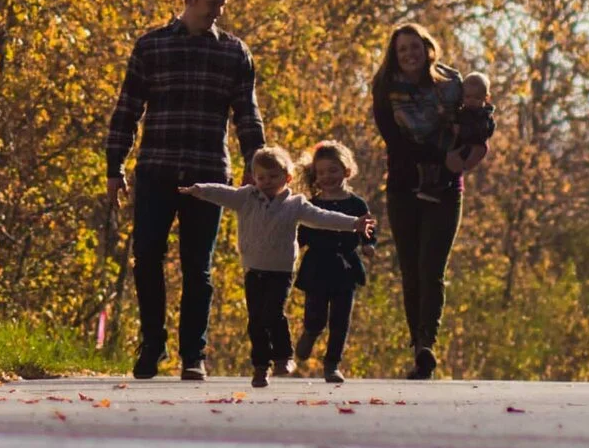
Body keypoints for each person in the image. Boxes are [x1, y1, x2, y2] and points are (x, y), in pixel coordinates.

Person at [106, 0, 266, 381]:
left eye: (223, 5)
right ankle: (151, 345)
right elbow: (128, 110)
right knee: (147, 259)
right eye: (213, 4)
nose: (219, 12)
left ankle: (193, 354)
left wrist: (255, 163)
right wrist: (114, 165)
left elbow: (246, 113)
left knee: (199, 266)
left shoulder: (234, 52)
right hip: (157, 168)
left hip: (209, 172)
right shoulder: (152, 47)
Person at [180, 145, 374, 387]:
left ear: (287, 178)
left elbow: (322, 218)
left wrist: (354, 224)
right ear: (254, 178)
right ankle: (261, 366)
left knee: (272, 314)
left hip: (281, 271)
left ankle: (283, 355)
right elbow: (223, 193)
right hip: (253, 269)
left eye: (273, 177)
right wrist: (199, 190)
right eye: (261, 177)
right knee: (256, 320)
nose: (267, 182)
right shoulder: (246, 197)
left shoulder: (296, 205)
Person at [371, 23, 492, 379]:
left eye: (414, 47)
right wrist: (443, 156)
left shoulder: (451, 86)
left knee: (432, 270)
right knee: (410, 271)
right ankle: (417, 347)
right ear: (395, 56)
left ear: (427, 49)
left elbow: (478, 118)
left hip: (444, 188)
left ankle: (428, 343)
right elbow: (396, 141)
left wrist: (475, 146)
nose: (409, 54)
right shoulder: (386, 90)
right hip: (403, 187)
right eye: (402, 49)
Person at [290, 139, 372, 385]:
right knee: (315, 314)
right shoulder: (311, 205)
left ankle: (332, 364)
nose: (327, 177)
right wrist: (290, 250)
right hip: (316, 266)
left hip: (345, 267)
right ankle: (310, 332)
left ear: (346, 171)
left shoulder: (356, 204)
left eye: (333, 170)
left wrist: (369, 244)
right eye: (321, 172)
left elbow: (367, 228)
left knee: (341, 319)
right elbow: (301, 235)